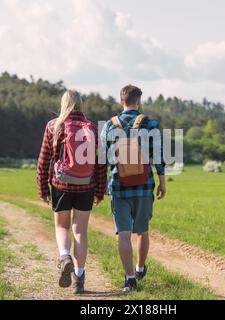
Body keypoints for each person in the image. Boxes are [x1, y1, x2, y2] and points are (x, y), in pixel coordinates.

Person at [36, 89, 107, 294]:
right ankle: (79, 278)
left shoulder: (54, 126)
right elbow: (100, 163)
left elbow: (44, 159)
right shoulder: (93, 128)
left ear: (63, 104)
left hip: (61, 185)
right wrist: (100, 190)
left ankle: (64, 256)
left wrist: (43, 188)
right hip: (86, 185)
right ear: (81, 104)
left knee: (62, 226)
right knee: (80, 230)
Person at [100, 84, 166, 292]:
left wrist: (102, 185)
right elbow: (158, 156)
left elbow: (104, 159)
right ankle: (139, 267)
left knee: (124, 234)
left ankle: (130, 279)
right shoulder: (150, 124)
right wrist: (162, 181)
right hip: (144, 187)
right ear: (138, 101)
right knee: (143, 231)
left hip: (119, 187)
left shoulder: (109, 126)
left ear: (121, 102)